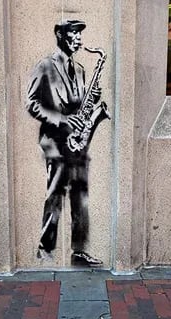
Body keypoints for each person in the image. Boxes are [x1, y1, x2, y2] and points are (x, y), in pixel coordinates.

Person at [26, 19, 105, 267]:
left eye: (81, 33)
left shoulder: (80, 69)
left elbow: (79, 104)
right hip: (55, 141)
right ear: (60, 34)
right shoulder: (45, 67)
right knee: (56, 195)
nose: (80, 38)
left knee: (80, 197)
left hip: (78, 143)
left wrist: (92, 100)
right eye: (74, 33)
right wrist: (63, 120)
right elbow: (31, 103)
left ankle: (79, 251)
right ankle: (45, 249)